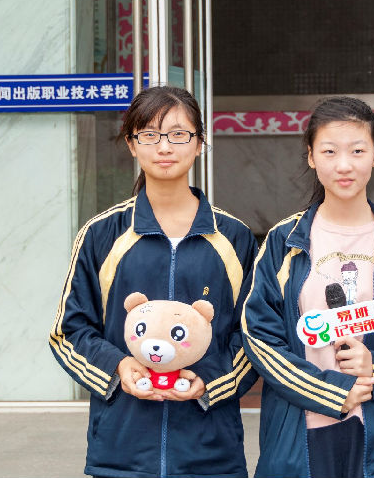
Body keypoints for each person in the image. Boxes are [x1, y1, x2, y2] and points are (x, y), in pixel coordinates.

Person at [242, 96, 374, 478]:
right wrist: (328, 390)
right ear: (311, 157)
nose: (344, 165)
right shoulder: (283, 242)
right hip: (300, 436)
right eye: (329, 151)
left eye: (357, 150)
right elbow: (258, 336)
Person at [49, 86, 258, 478]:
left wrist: (209, 379)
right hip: (122, 451)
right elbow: (69, 331)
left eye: (179, 134)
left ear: (199, 143)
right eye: (149, 134)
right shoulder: (102, 234)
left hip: (210, 452)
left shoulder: (234, 237)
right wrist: (118, 367)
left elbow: (253, 335)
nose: (164, 147)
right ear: (132, 144)